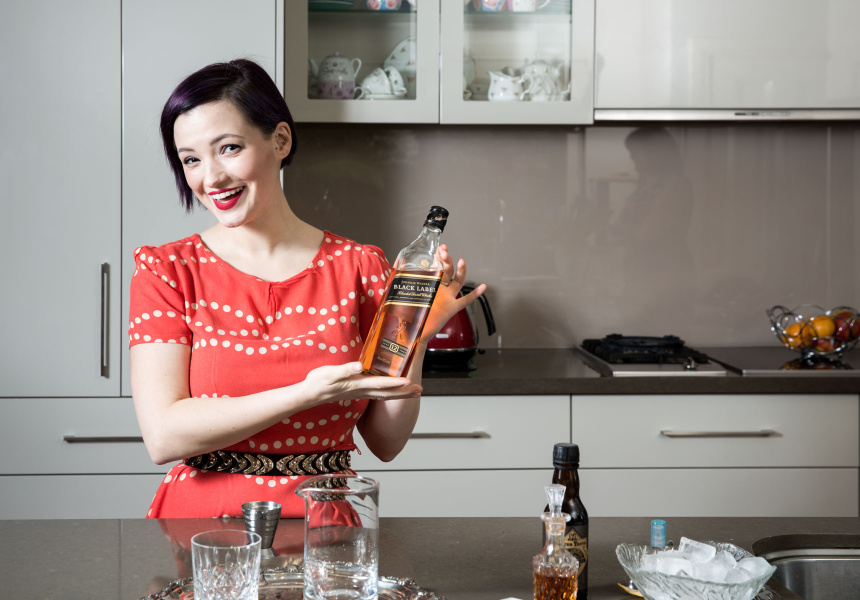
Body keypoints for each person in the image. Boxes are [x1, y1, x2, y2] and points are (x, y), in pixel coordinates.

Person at [129, 59, 485, 518]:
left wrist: (413, 334)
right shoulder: (167, 271)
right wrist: (307, 393)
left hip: (327, 523)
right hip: (201, 527)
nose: (210, 178)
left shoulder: (360, 268)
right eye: (191, 159)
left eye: (229, 148)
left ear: (280, 140)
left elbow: (386, 442)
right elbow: (163, 436)